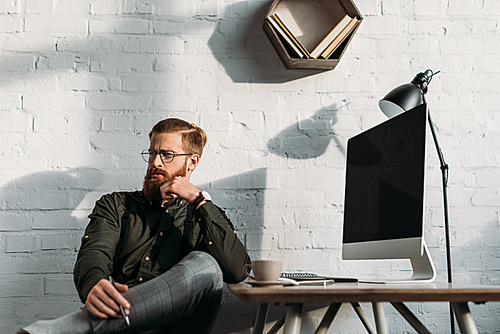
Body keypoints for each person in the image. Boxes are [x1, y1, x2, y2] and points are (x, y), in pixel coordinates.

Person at [13, 118, 251, 334]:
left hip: (174, 328)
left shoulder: (205, 215)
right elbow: (94, 254)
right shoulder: (116, 205)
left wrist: (200, 201)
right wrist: (95, 284)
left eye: (167, 155)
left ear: (192, 162)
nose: (155, 162)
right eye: (152, 153)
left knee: (206, 265)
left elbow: (237, 270)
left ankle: (60, 331)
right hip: (119, 327)